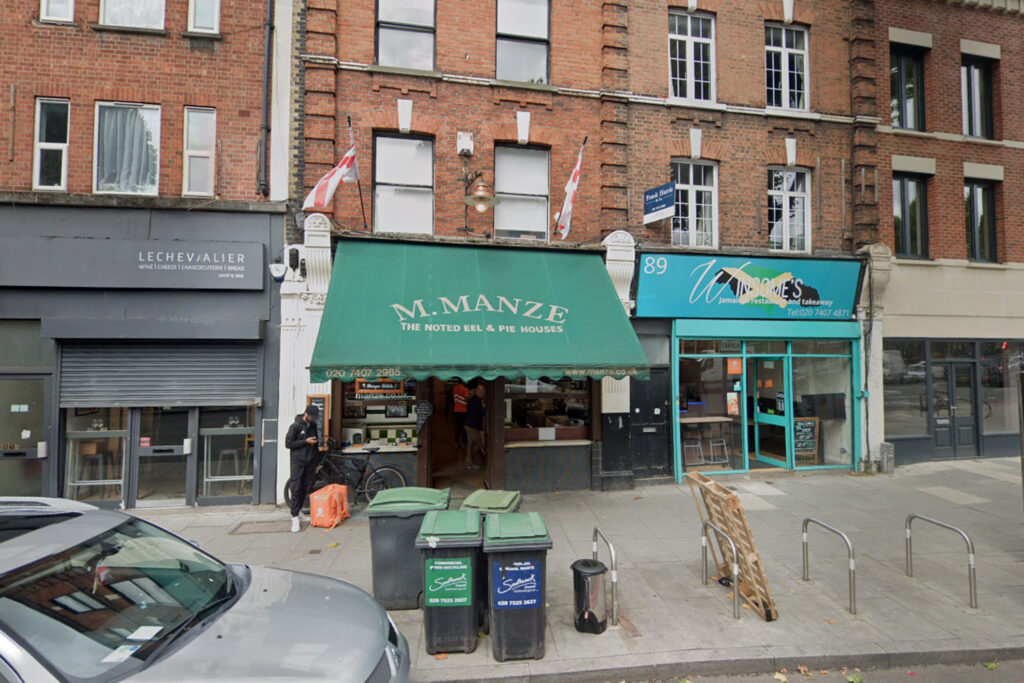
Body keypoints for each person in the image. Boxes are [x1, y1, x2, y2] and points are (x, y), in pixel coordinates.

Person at [285, 404, 320, 532]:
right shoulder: (295, 426)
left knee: (306, 486)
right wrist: (305, 441)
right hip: (298, 462)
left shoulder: (313, 426)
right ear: (306, 414)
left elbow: (316, 444)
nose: (314, 419)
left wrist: (317, 462)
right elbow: (288, 443)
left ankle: (298, 511)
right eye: (312, 416)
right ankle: (294, 518)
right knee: (296, 488)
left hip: (310, 462)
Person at [464, 383, 486, 470]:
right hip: (473, 426)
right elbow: (483, 412)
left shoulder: (473, 399)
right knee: (479, 444)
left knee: (471, 444)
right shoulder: (477, 401)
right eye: (483, 392)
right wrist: (484, 407)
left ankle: (469, 462)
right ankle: (469, 460)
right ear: (479, 392)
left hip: (468, 424)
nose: (484, 394)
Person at [451, 379, 469, 450]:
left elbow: (454, 397)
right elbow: (467, 399)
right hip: (464, 410)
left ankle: (456, 442)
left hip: (456, 410)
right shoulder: (465, 389)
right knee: (464, 427)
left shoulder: (454, 388)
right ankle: (464, 442)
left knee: (457, 427)